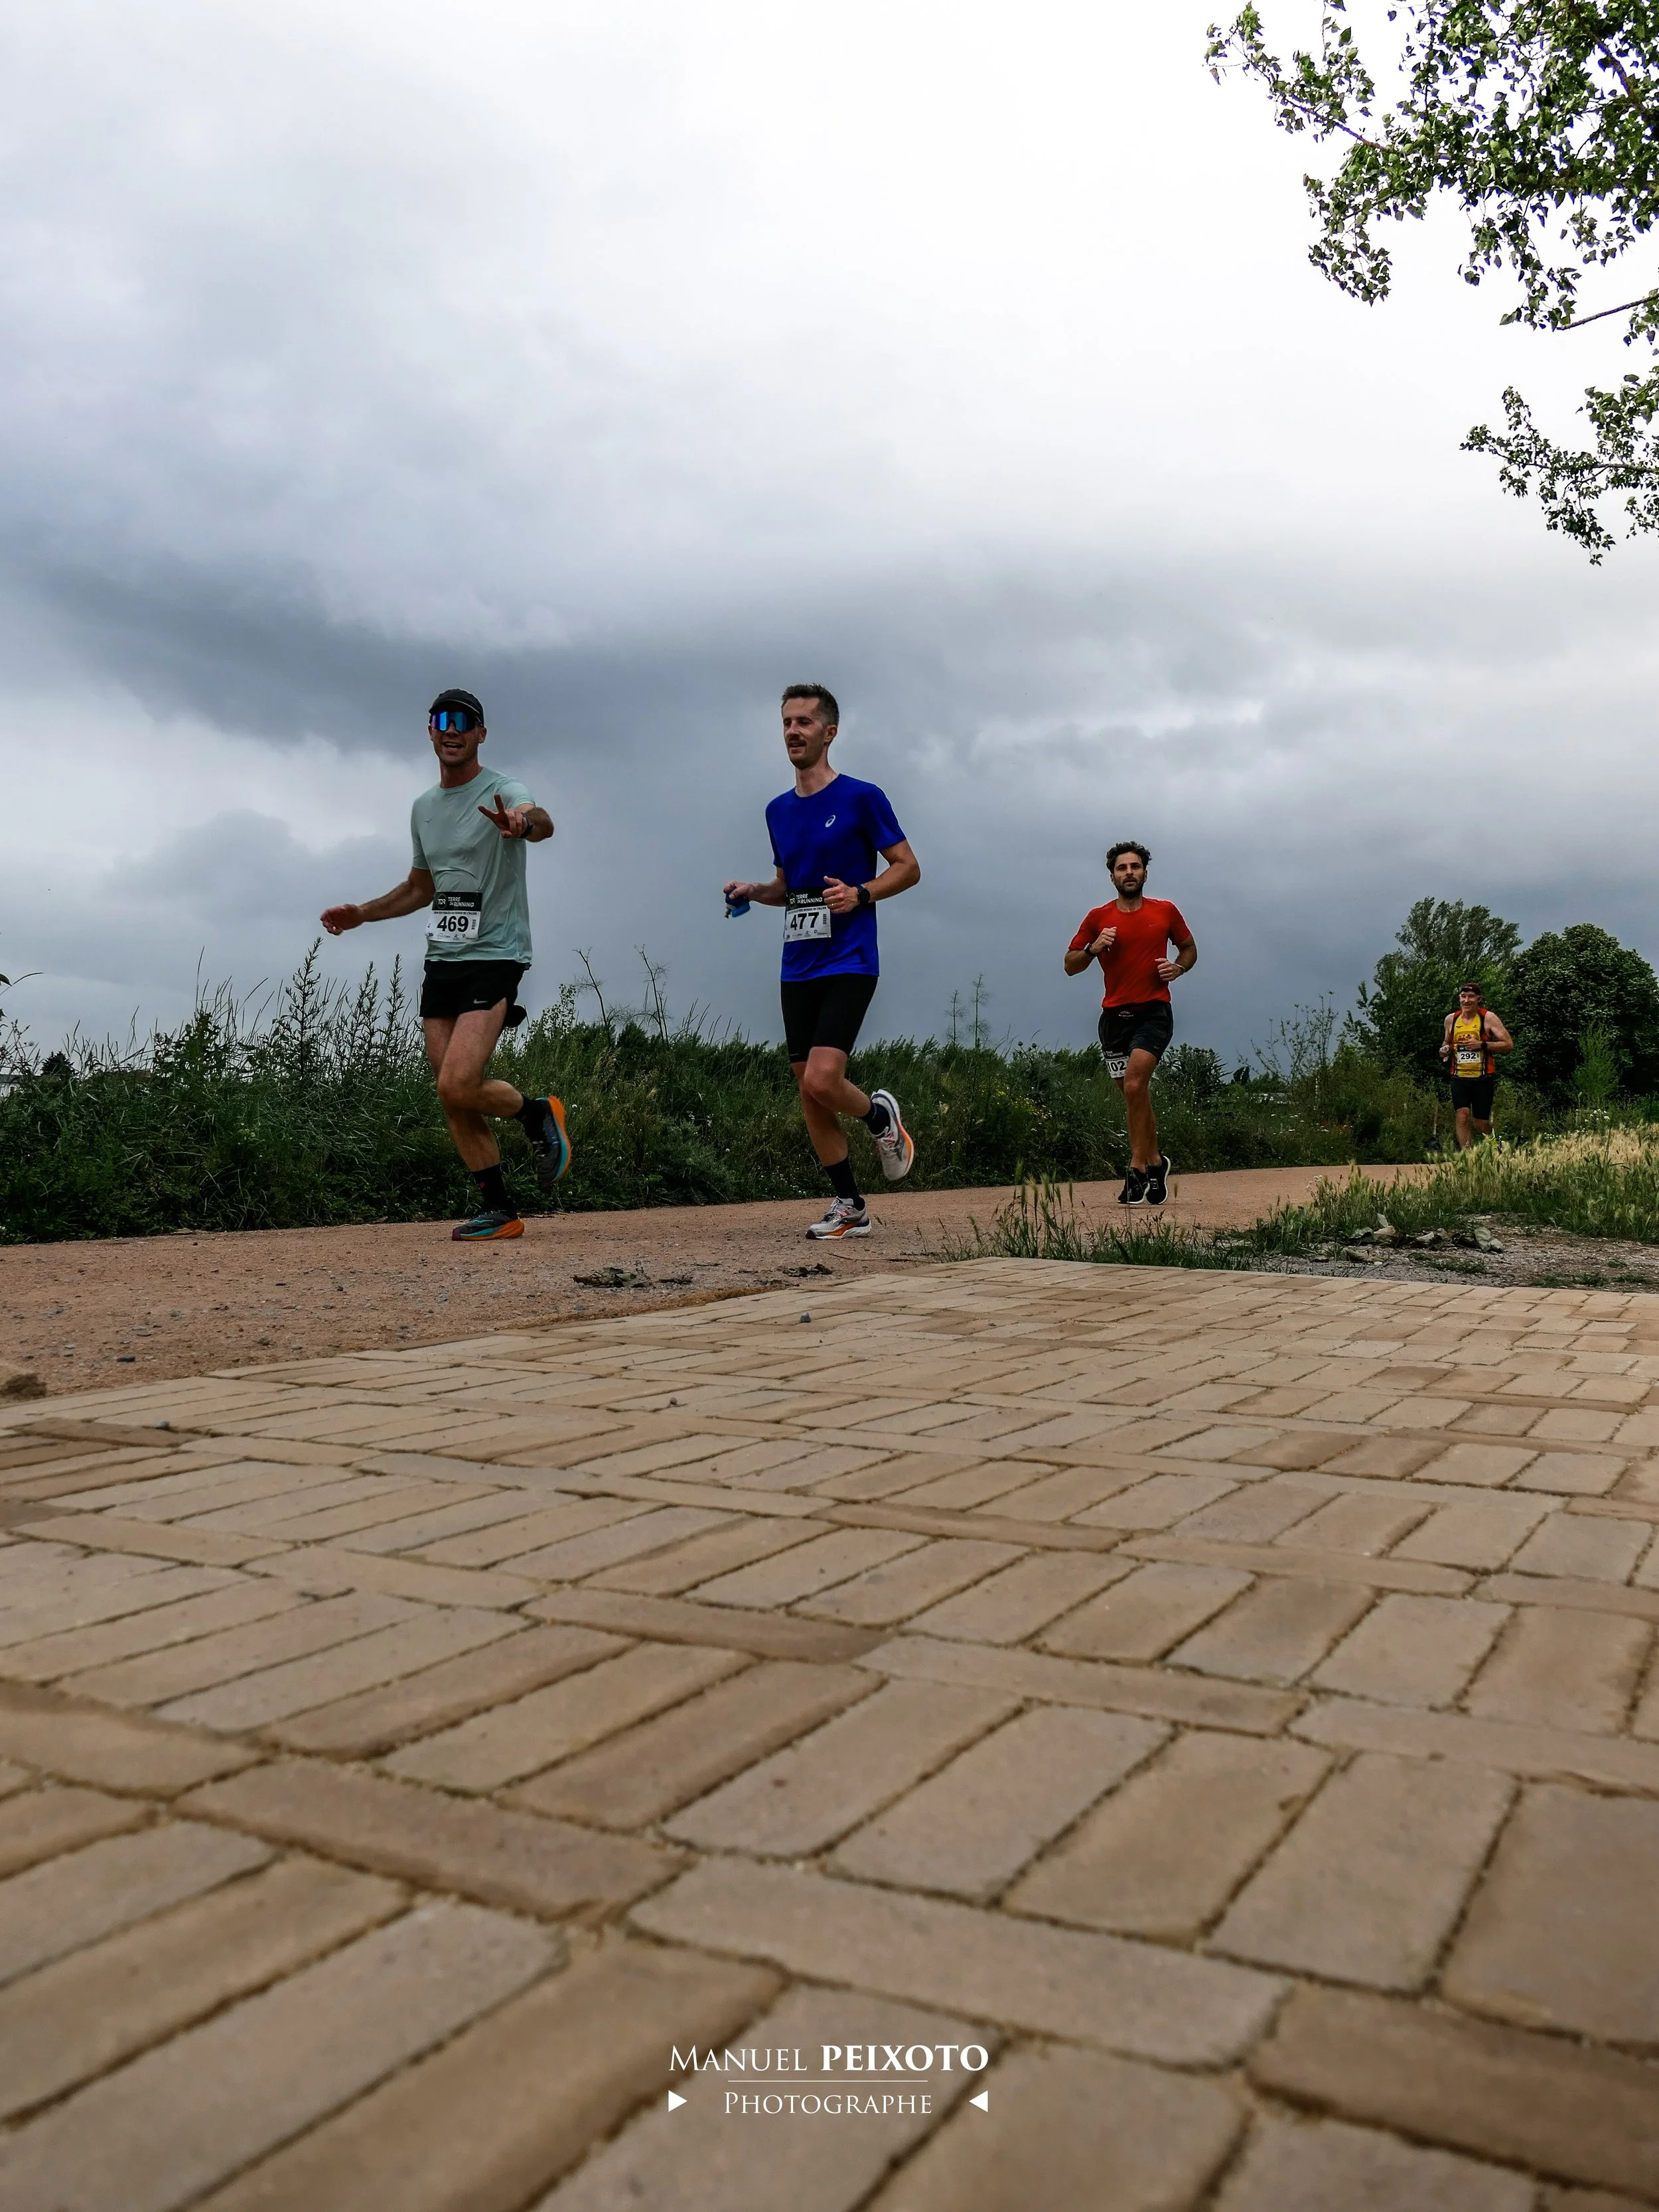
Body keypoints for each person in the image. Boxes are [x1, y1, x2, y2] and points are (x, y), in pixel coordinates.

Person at [320, 688, 570, 1240]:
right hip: (444, 958)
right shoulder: (423, 809)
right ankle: (501, 1208)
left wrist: (523, 826)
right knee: (449, 1089)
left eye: (464, 721)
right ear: (430, 731)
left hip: (497, 952)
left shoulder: (505, 790)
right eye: (442, 720)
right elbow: (419, 887)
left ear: (481, 733)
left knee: (459, 1081)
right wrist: (362, 913)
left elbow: (541, 819)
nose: (451, 729)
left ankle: (535, 1113)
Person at [723, 684, 920, 1238]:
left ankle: (881, 1119)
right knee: (809, 1090)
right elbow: (789, 887)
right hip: (797, 966)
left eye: (805, 722)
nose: (793, 731)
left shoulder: (862, 797)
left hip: (851, 959)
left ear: (829, 732)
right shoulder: (777, 811)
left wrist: (861, 893)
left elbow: (908, 867)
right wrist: (752, 890)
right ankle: (850, 1205)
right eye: (787, 721)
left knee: (824, 1076)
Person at [1065, 842, 1196, 1207]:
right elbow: (1070, 965)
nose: (1129, 873)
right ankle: (1157, 1161)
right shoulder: (1098, 918)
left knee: (1136, 1084)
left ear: (1145, 873)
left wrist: (1179, 967)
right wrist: (1094, 948)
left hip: (1153, 1011)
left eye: (1135, 867)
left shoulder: (1165, 911)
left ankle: (1137, 1168)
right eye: (1122, 868)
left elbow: (1189, 949)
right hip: (1113, 1019)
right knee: (1133, 1094)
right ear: (1112, 876)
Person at [1439, 982, 1513, 1148]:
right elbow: (1448, 1042)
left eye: (1471, 997)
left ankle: (1498, 1146)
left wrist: (1482, 1045)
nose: (1467, 1000)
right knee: (1462, 1115)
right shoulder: (1451, 1020)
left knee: (1481, 1124)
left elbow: (1508, 1044)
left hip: (1482, 1077)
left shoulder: (1488, 1018)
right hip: (1459, 1076)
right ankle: (1468, 1157)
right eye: (1463, 997)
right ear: (1459, 998)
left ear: (1479, 999)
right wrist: (1445, 1049)